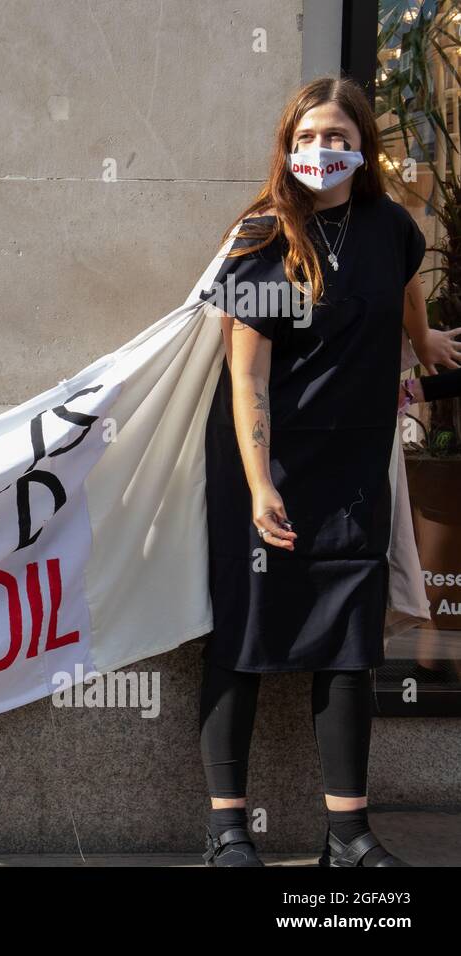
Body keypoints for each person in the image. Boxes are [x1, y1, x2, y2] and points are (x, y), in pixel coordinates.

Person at [194, 75, 460, 867]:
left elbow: (406, 288)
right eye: (307, 137)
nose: (322, 150)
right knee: (244, 639)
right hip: (266, 462)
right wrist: (261, 485)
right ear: (287, 147)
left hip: (354, 468)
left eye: (338, 136)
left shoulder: (393, 227)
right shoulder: (260, 238)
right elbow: (244, 377)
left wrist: (424, 344)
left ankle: (347, 834)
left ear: (363, 147)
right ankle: (227, 830)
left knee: (351, 648)